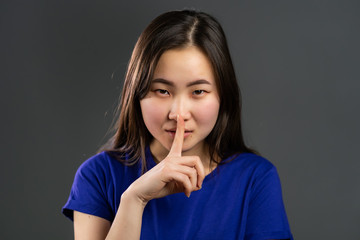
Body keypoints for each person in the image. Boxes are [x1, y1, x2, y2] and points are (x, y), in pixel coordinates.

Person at [62, 10, 293, 240]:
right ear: (137, 94)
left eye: (198, 92)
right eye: (162, 91)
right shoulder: (98, 176)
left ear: (223, 96)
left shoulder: (256, 178)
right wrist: (134, 199)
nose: (178, 114)